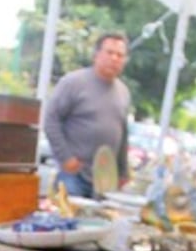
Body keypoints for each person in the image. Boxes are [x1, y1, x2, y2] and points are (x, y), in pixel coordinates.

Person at [44, 33, 131, 199]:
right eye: (109, 52)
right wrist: (65, 158)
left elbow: (122, 135)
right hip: (73, 176)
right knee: (70, 222)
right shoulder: (73, 83)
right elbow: (51, 121)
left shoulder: (123, 92)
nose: (114, 58)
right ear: (96, 55)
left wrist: (122, 172)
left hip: (104, 181)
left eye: (120, 55)